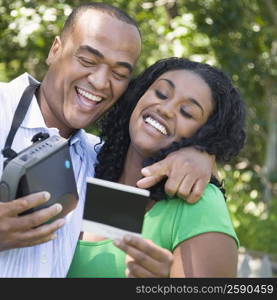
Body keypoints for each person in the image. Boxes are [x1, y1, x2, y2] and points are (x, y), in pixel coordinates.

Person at [0, 3, 215, 277]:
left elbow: (107, 264)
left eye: (119, 74)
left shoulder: (101, 165)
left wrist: (202, 153)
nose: (101, 82)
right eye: (88, 61)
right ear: (55, 50)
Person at [67, 57, 246, 278]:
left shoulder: (198, 203)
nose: (166, 109)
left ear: (205, 135)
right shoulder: (95, 167)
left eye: (187, 112)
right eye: (161, 94)